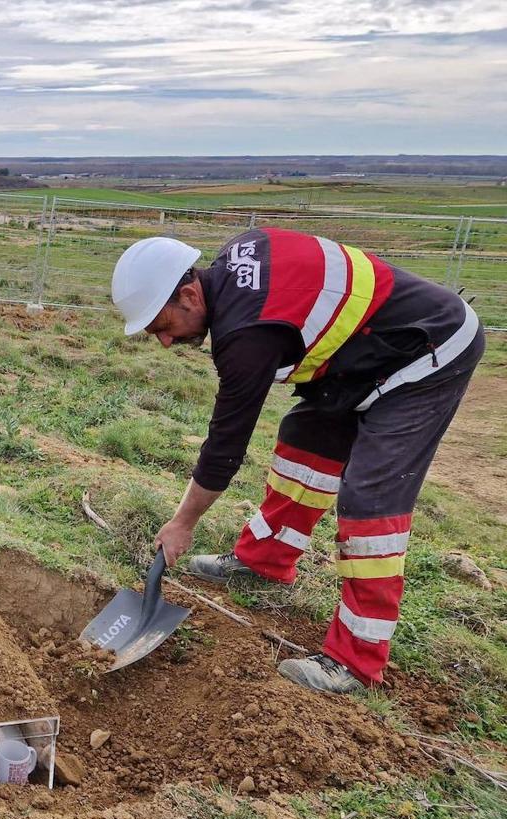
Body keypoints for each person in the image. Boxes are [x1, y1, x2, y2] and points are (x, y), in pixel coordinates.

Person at [110, 228, 484, 694]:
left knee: (370, 499)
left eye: (163, 327)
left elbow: (225, 446)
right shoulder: (237, 256)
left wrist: (183, 521)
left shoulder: (247, 335)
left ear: (188, 293)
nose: (166, 342)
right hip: (364, 355)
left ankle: (356, 662)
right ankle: (265, 561)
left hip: (429, 350)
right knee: (303, 438)